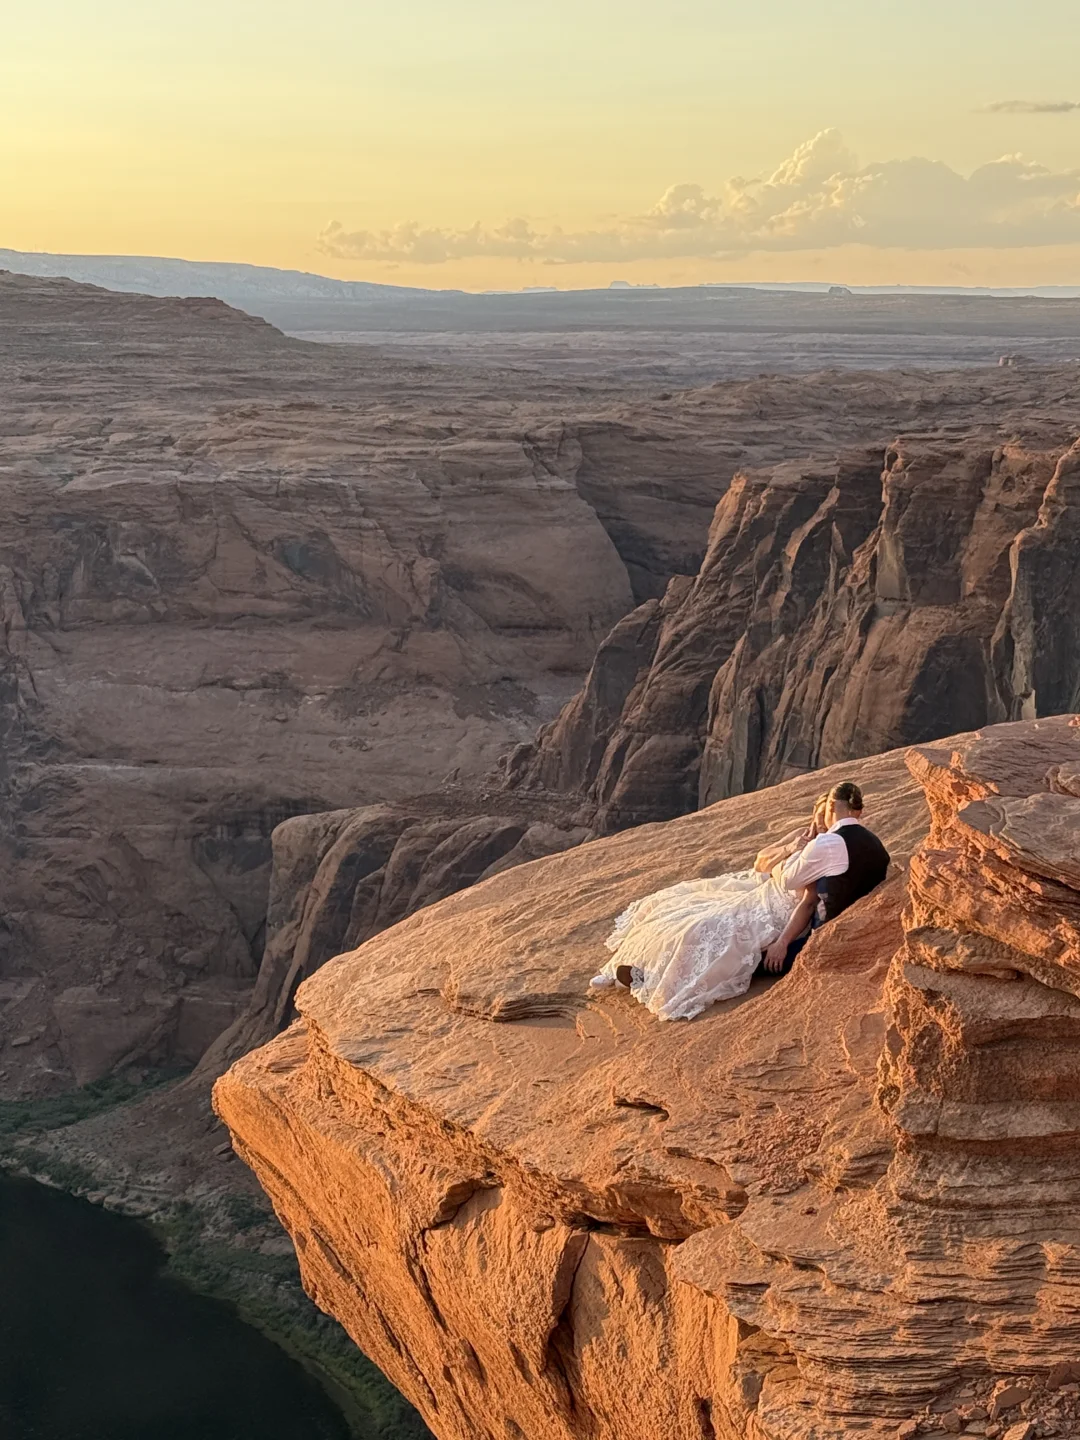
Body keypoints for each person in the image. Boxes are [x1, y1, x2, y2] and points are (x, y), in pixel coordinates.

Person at [587, 782, 888, 1022]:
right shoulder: (869, 843)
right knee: (686, 918)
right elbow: (787, 877)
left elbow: (796, 888)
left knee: (706, 932)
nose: (822, 818)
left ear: (833, 808)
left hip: (784, 915)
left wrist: (784, 936)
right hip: (772, 902)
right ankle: (631, 970)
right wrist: (792, 848)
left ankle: (651, 980)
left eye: (826, 812)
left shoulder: (827, 844)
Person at [759, 780, 890, 975]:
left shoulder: (827, 842)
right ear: (858, 811)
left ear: (830, 806)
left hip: (822, 943)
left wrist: (783, 860)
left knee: (751, 963)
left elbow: (788, 881)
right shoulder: (876, 843)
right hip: (861, 937)